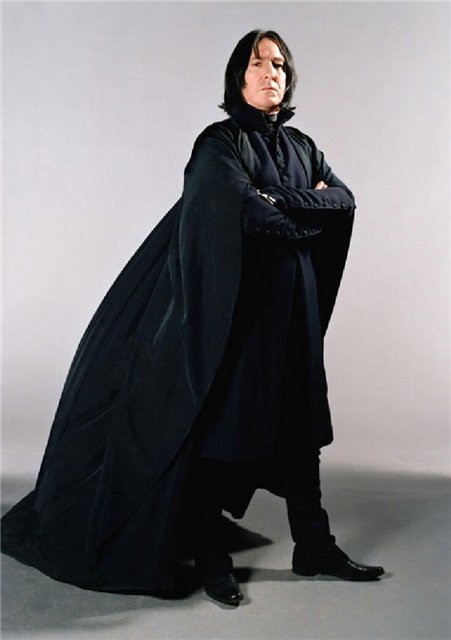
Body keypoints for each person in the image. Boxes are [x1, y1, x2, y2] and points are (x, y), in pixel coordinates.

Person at [1, 30, 384, 606]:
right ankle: (212, 558)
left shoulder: (304, 146)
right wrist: (301, 205)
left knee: (301, 428)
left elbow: (345, 200)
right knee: (224, 429)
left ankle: (315, 546)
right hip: (236, 317)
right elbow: (250, 216)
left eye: (280, 64)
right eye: (258, 63)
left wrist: (282, 199)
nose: (271, 72)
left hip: (295, 315)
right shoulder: (218, 144)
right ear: (238, 77)